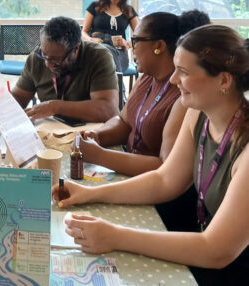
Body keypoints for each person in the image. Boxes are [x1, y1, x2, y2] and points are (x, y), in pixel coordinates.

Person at [54, 25, 249, 285]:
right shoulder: (198, 113)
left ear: (224, 80)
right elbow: (165, 180)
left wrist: (116, 236)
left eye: (184, 72)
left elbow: (216, 250)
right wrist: (90, 193)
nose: (173, 80)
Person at [79, 10, 210, 176]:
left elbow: (167, 168)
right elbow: (124, 122)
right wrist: (97, 135)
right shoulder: (147, 78)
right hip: (129, 173)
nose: (131, 47)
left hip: (152, 190)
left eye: (136, 40)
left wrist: (100, 156)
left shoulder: (183, 94)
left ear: (159, 46)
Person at [12, 16, 119, 123]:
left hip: (90, 133)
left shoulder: (97, 56)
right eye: (44, 55)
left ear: (76, 49)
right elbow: (18, 98)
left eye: (56, 59)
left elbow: (108, 110)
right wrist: (2, 106)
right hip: (51, 132)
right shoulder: (36, 59)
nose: (48, 64)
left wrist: (55, 107)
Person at [82, 0, 138, 72]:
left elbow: (139, 36)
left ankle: (115, 81)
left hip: (119, 52)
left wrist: (127, 44)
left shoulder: (129, 10)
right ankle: (118, 82)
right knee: (104, 50)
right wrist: (90, 39)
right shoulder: (95, 6)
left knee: (106, 51)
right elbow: (83, 32)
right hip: (97, 47)